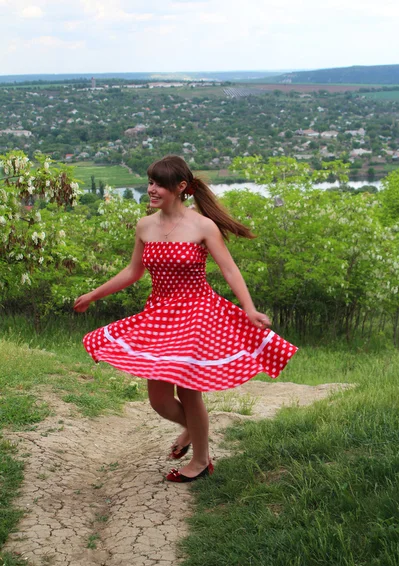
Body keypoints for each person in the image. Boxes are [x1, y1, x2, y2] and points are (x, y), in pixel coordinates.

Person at [74, 155, 298, 483]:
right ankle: (193, 431)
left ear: (180, 188)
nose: (151, 190)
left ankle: (202, 461)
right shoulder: (145, 225)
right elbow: (133, 272)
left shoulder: (202, 226)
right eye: (150, 182)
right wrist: (94, 294)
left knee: (190, 391)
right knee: (159, 400)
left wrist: (249, 309)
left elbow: (229, 269)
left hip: (198, 314)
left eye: (159, 185)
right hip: (160, 315)